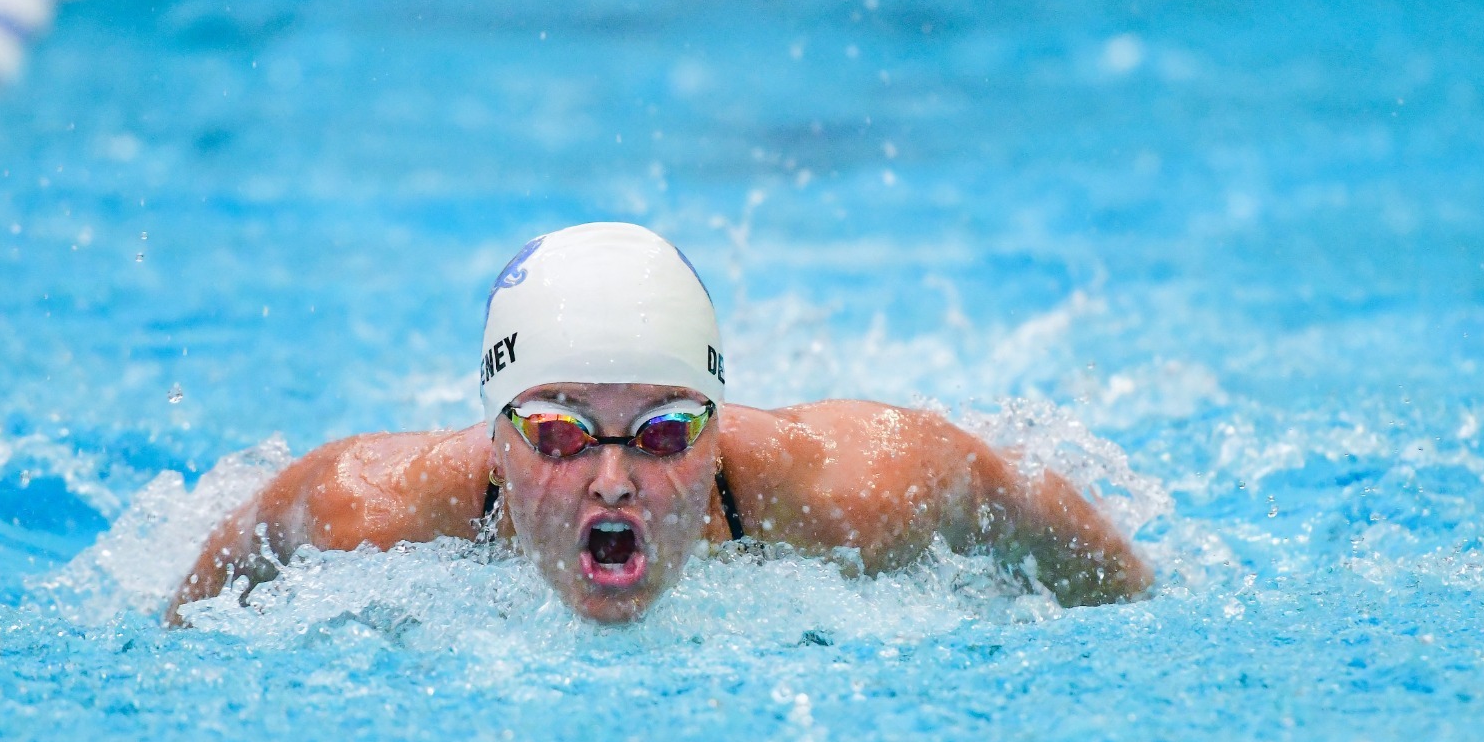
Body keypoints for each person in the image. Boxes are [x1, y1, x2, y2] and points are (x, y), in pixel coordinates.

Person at [167, 222, 1150, 626]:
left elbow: (1013, 495)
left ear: (717, 429)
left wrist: (1146, 610)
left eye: (664, 430)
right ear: (498, 435)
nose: (610, 478)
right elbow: (209, 590)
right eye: (557, 433)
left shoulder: (856, 487)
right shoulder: (363, 505)